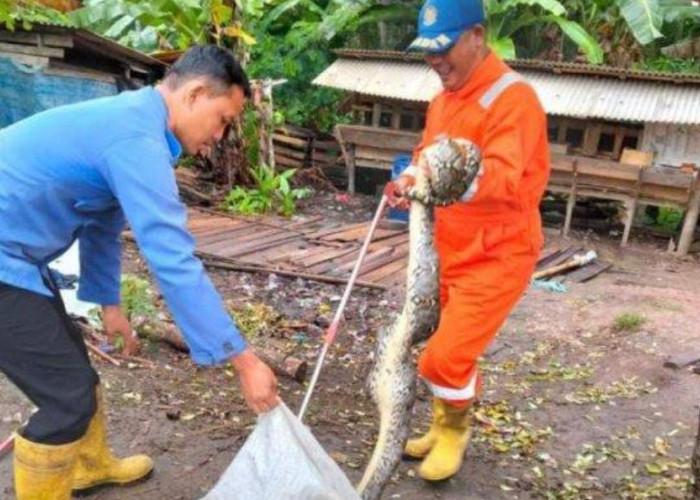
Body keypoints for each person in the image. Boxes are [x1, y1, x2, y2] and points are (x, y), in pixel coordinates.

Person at [0, 45, 279, 499]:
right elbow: (172, 259)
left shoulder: (134, 122)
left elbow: (101, 219)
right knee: (66, 399)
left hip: (15, 257)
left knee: (76, 374)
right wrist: (243, 360)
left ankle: (89, 466)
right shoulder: (137, 139)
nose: (220, 136)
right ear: (194, 94)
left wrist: (110, 305)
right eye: (223, 119)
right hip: (5, 260)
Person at [384, 0, 551, 482]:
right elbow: (426, 153)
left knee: (445, 356)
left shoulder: (513, 98)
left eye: (444, 49)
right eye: (428, 53)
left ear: (477, 35)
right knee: (442, 344)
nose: (435, 62)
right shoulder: (443, 98)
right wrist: (410, 179)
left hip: (498, 255)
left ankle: (455, 431)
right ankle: (441, 425)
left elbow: (501, 176)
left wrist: (441, 183)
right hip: (450, 250)